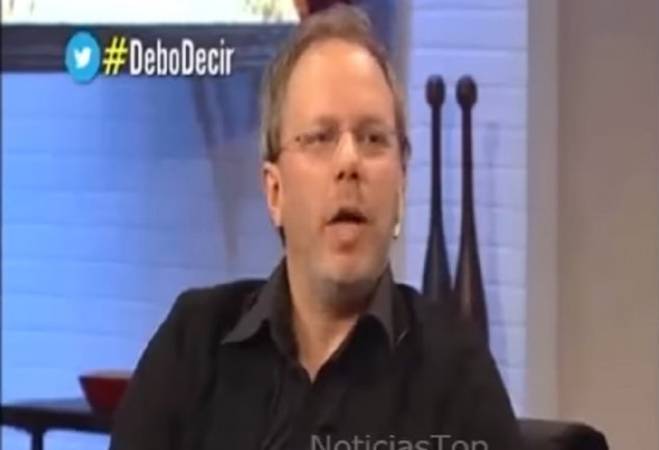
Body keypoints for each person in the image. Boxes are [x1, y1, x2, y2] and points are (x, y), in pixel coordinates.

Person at [109, 5, 522, 450]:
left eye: (373, 138)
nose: (349, 163)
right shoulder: (193, 345)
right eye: (320, 138)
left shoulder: (456, 376)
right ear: (275, 192)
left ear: (401, 187)